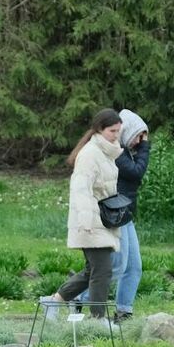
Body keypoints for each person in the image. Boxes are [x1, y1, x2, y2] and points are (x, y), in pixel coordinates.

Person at [44, 108, 123, 320]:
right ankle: (97, 320)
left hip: (102, 219)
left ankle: (54, 301)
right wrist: (86, 220)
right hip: (90, 220)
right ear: (99, 129)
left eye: (118, 131)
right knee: (102, 270)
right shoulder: (89, 155)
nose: (116, 136)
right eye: (112, 131)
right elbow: (81, 190)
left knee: (93, 270)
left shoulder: (106, 153)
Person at [76, 109, 149, 322]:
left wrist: (141, 145)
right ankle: (82, 299)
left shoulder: (123, 152)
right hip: (113, 215)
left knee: (134, 267)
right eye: (138, 135)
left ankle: (123, 311)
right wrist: (145, 147)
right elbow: (137, 172)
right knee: (116, 267)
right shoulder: (115, 153)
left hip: (125, 215)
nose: (140, 141)